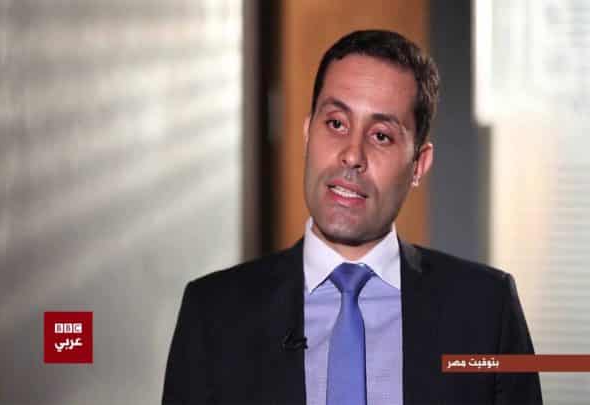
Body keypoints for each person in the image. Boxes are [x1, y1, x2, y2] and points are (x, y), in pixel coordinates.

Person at [162, 30, 542, 405]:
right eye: (336, 124)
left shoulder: (487, 310)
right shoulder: (212, 313)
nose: (352, 155)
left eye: (381, 136)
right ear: (308, 133)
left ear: (418, 165)